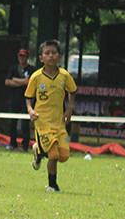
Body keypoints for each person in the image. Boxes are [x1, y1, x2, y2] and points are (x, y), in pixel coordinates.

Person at [25, 39, 77, 193]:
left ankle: (38, 151)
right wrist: (30, 110)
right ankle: (52, 185)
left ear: (59, 57)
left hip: (59, 122)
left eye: (54, 53)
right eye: (47, 53)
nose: (51, 56)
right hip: (43, 122)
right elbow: (28, 97)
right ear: (41, 58)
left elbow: (72, 91)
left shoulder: (64, 76)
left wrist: (70, 109)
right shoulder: (36, 77)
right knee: (53, 154)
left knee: (64, 156)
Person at [4, 48, 35, 151]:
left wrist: (16, 80)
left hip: (26, 101)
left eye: (24, 56)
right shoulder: (13, 68)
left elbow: (30, 83)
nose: (22, 58)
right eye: (20, 56)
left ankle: (25, 145)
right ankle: (12, 144)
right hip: (13, 100)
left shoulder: (32, 70)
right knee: (12, 123)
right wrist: (22, 81)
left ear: (27, 57)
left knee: (24, 124)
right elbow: (8, 82)